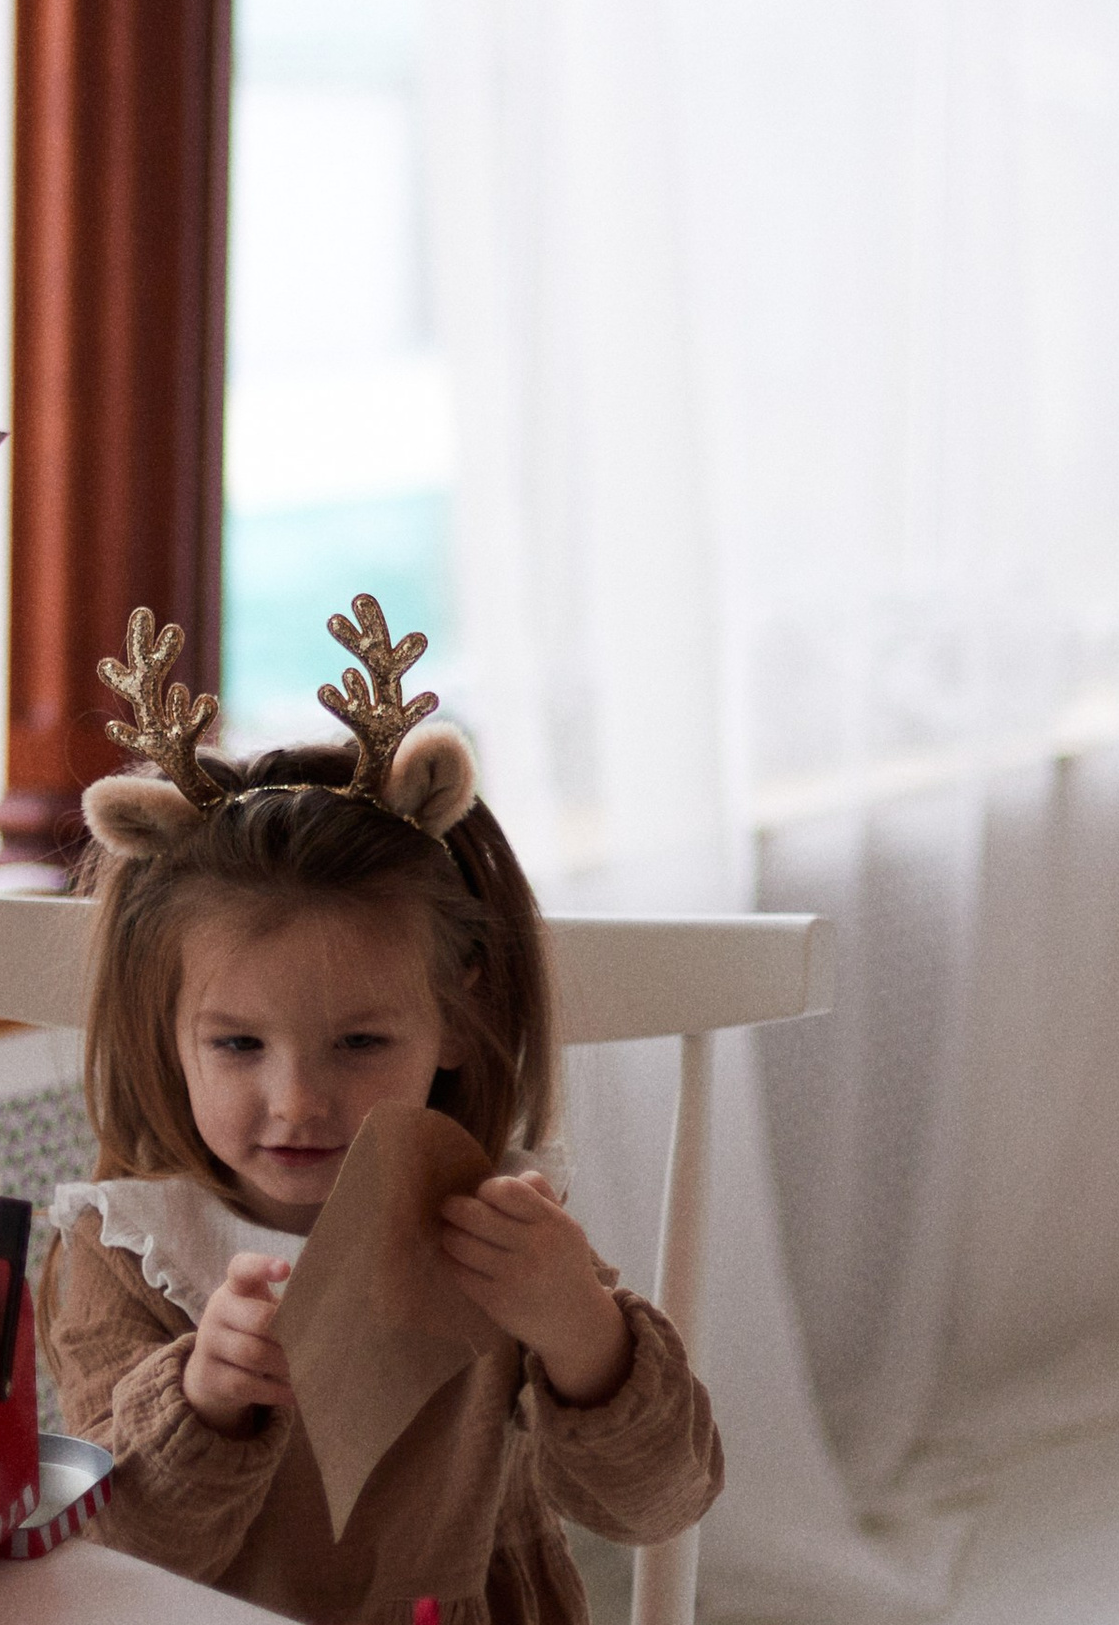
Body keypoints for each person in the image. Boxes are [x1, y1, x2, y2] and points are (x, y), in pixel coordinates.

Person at [42, 599, 722, 1623]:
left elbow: (659, 1500)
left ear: (456, 1018)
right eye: (237, 1044)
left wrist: (583, 1333)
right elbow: (117, 1554)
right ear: (165, 1032)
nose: (297, 1100)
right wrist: (204, 1402)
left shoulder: (487, 1223)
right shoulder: (128, 1250)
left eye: (360, 1043)